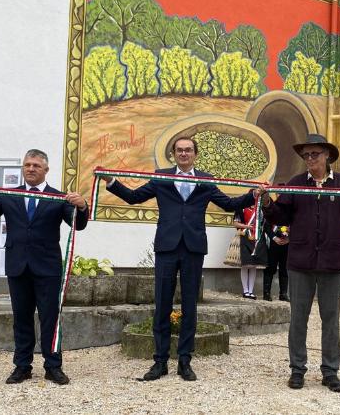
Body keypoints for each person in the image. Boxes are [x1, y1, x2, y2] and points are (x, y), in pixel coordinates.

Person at [101, 136, 257, 382]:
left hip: (193, 248)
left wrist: (253, 194)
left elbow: (228, 204)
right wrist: (111, 182)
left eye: (189, 150)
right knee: (162, 303)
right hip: (167, 247)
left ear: (195, 154)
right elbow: (134, 197)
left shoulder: (205, 180)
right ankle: (160, 361)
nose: (184, 154)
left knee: (189, 306)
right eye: (180, 150)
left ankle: (185, 360)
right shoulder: (161, 177)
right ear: (173, 154)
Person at [0, 149, 89, 385]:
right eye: (27, 165)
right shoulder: (10, 195)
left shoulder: (58, 197)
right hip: (18, 266)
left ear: (46, 170)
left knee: (50, 319)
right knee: (21, 318)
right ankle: (22, 366)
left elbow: (77, 225)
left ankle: (53, 366)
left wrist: (82, 207)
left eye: (36, 165)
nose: (31, 169)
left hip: (47, 268)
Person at [259, 134, 340, 393]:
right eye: (306, 155)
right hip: (300, 262)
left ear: (327, 156)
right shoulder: (296, 184)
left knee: (330, 319)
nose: (310, 159)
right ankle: (297, 369)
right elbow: (281, 215)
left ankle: (330, 371)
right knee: (298, 318)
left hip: (332, 263)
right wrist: (267, 202)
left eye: (315, 154)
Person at [232, 205, 267, 299]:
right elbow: (235, 224)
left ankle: (251, 291)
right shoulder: (241, 208)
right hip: (245, 237)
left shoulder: (261, 210)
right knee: (245, 264)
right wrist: (247, 226)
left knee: (253, 265)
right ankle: (245, 291)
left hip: (256, 239)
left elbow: (264, 224)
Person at [262, 216, 289, 302]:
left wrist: (289, 239)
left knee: (284, 269)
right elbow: (266, 226)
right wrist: (274, 238)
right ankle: (266, 293)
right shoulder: (272, 211)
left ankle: (283, 294)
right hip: (273, 243)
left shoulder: (290, 211)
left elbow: (295, 226)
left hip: (286, 244)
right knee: (270, 268)